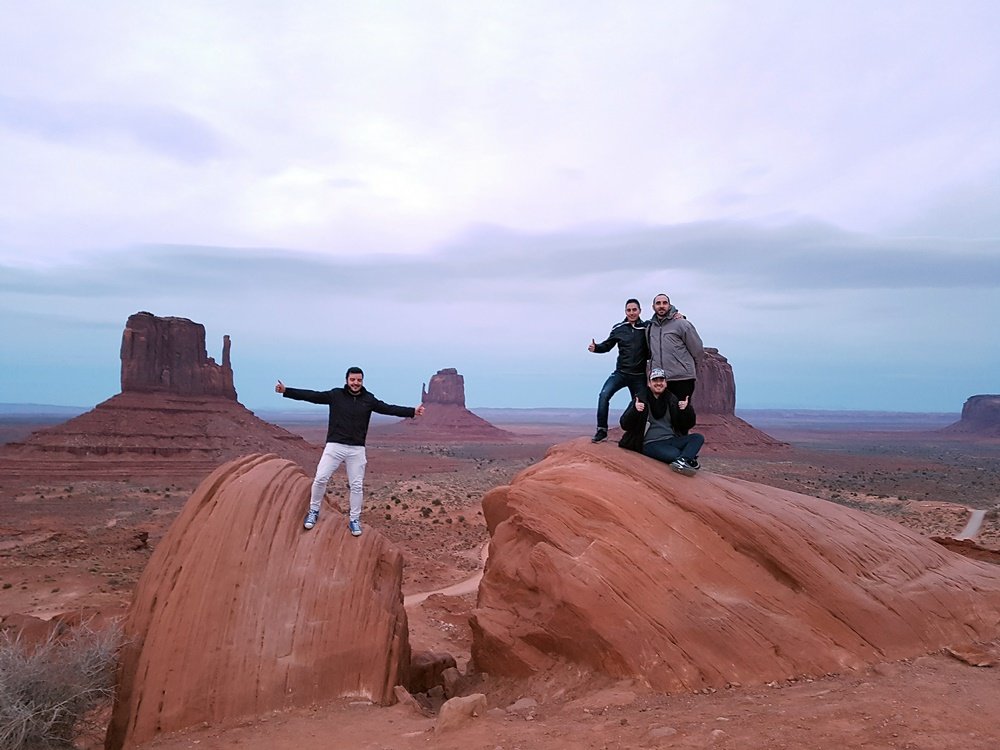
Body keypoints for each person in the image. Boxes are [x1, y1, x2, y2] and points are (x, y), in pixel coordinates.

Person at [275, 367, 425, 535]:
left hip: (356, 449)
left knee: (356, 486)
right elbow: (313, 396)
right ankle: (313, 511)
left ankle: (354, 520)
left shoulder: (368, 399)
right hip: (335, 446)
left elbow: (388, 408)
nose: (355, 383)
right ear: (347, 380)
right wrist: (286, 391)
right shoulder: (336, 395)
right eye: (353, 380)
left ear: (362, 381)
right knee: (320, 478)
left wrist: (412, 412)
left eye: (359, 380)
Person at [618, 368, 704, 475]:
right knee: (674, 454)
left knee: (698, 438)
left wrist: (687, 410)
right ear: (649, 384)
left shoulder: (672, 400)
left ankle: (683, 460)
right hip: (649, 443)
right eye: (655, 380)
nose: (658, 383)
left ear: (665, 383)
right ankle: (687, 459)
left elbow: (687, 425)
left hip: (671, 440)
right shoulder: (641, 400)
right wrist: (634, 411)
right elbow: (624, 424)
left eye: (661, 380)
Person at [588, 298, 649, 443]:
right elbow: (607, 346)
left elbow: (662, 325)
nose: (632, 312)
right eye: (629, 310)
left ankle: (636, 435)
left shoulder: (647, 327)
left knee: (641, 405)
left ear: (640, 311)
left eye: (634, 310)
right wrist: (596, 348)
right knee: (604, 395)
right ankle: (602, 430)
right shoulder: (618, 328)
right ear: (625, 312)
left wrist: (679, 316)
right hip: (621, 373)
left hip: (639, 375)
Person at [646, 293, 704, 402]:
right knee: (662, 416)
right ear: (653, 307)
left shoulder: (682, 324)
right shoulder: (650, 327)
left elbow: (698, 350)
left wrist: (691, 369)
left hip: (682, 379)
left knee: (682, 414)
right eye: (658, 303)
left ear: (669, 305)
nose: (661, 306)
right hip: (660, 380)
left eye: (664, 303)